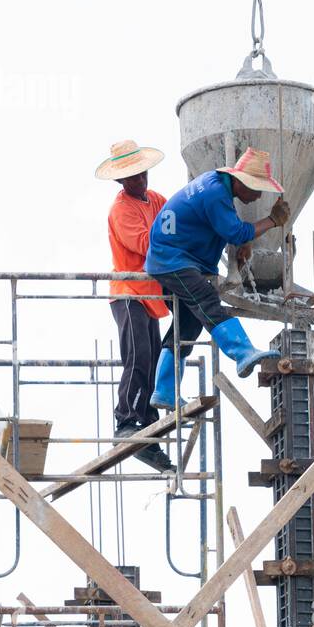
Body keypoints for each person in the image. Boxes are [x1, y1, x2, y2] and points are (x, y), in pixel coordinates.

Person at [145, 147, 290, 411]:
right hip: (172, 258)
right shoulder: (215, 194)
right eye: (256, 188)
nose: (258, 195)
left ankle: (164, 389)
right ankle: (242, 353)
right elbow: (234, 231)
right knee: (207, 301)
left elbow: (226, 228)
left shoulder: (214, 187)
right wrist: (271, 220)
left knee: (188, 325)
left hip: (173, 257)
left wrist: (243, 239)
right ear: (240, 181)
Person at [94, 140, 175, 473]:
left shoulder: (156, 200)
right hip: (128, 291)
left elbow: (175, 221)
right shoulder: (121, 210)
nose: (139, 180)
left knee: (154, 359)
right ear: (121, 181)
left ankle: (147, 426)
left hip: (150, 294)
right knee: (138, 355)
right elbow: (146, 244)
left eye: (141, 173)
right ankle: (127, 420)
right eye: (131, 177)